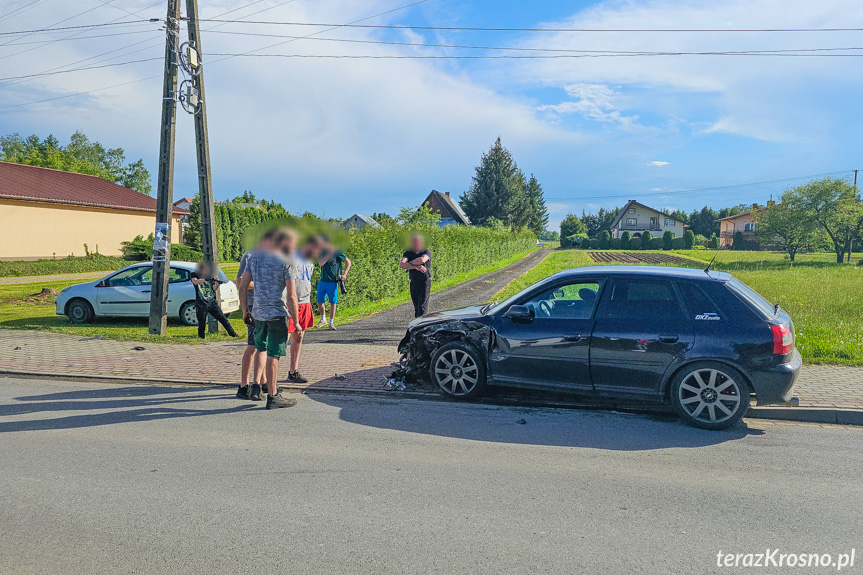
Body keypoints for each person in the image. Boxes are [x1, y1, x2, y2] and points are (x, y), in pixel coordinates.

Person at [238, 231, 301, 410]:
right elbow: (292, 296)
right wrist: (296, 321)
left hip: (257, 314)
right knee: (274, 355)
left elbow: (242, 287)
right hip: (276, 315)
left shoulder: (254, 258)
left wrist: (245, 311)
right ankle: (273, 396)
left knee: (261, 349)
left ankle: (261, 385)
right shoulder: (287, 261)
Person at [235, 231, 274, 401]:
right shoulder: (249, 255)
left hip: (266, 306)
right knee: (253, 346)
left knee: (262, 346)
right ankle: (244, 386)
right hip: (252, 305)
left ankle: (264, 381)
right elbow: (240, 283)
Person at [286, 235, 321, 384]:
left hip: (304, 302)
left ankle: (293, 371)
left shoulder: (309, 261)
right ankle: (268, 377)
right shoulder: (290, 259)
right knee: (283, 340)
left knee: (299, 337)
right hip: (290, 303)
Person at [191, 262, 239, 340]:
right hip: (201, 303)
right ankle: (201, 337)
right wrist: (205, 279)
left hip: (212, 302)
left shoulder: (209, 276)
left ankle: (232, 334)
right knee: (202, 322)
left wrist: (217, 284)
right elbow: (195, 282)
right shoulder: (194, 275)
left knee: (223, 318)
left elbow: (214, 289)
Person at [316, 237, 350, 330]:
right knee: (320, 301)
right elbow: (321, 263)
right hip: (323, 280)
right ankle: (323, 319)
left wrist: (344, 274)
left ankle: (331, 322)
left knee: (333, 302)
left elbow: (348, 262)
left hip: (333, 281)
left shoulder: (338, 252)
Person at [399, 233, 432, 318]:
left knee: (422, 307)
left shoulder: (426, 251)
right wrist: (415, 267)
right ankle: (419, 324)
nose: (414, 243)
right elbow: (402, 264)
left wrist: (409, 263)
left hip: (425, 282)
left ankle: (421, 326)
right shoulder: (408, 253)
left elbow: (422, 260)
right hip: (413, 282)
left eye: (416, 241)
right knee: (416, 307)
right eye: (413, 241)